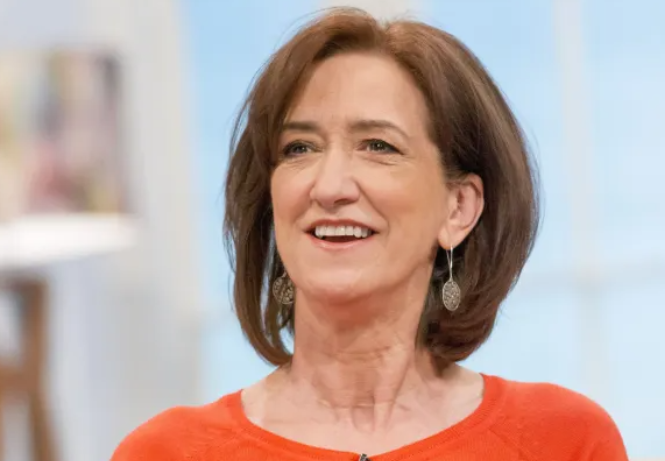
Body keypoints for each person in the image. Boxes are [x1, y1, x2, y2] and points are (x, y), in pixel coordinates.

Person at [112, 7, 628, 461]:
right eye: (299, 149)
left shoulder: (562, 439)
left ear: (458, 208)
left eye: (378, 146)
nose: (329, 187)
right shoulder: (165, 452)